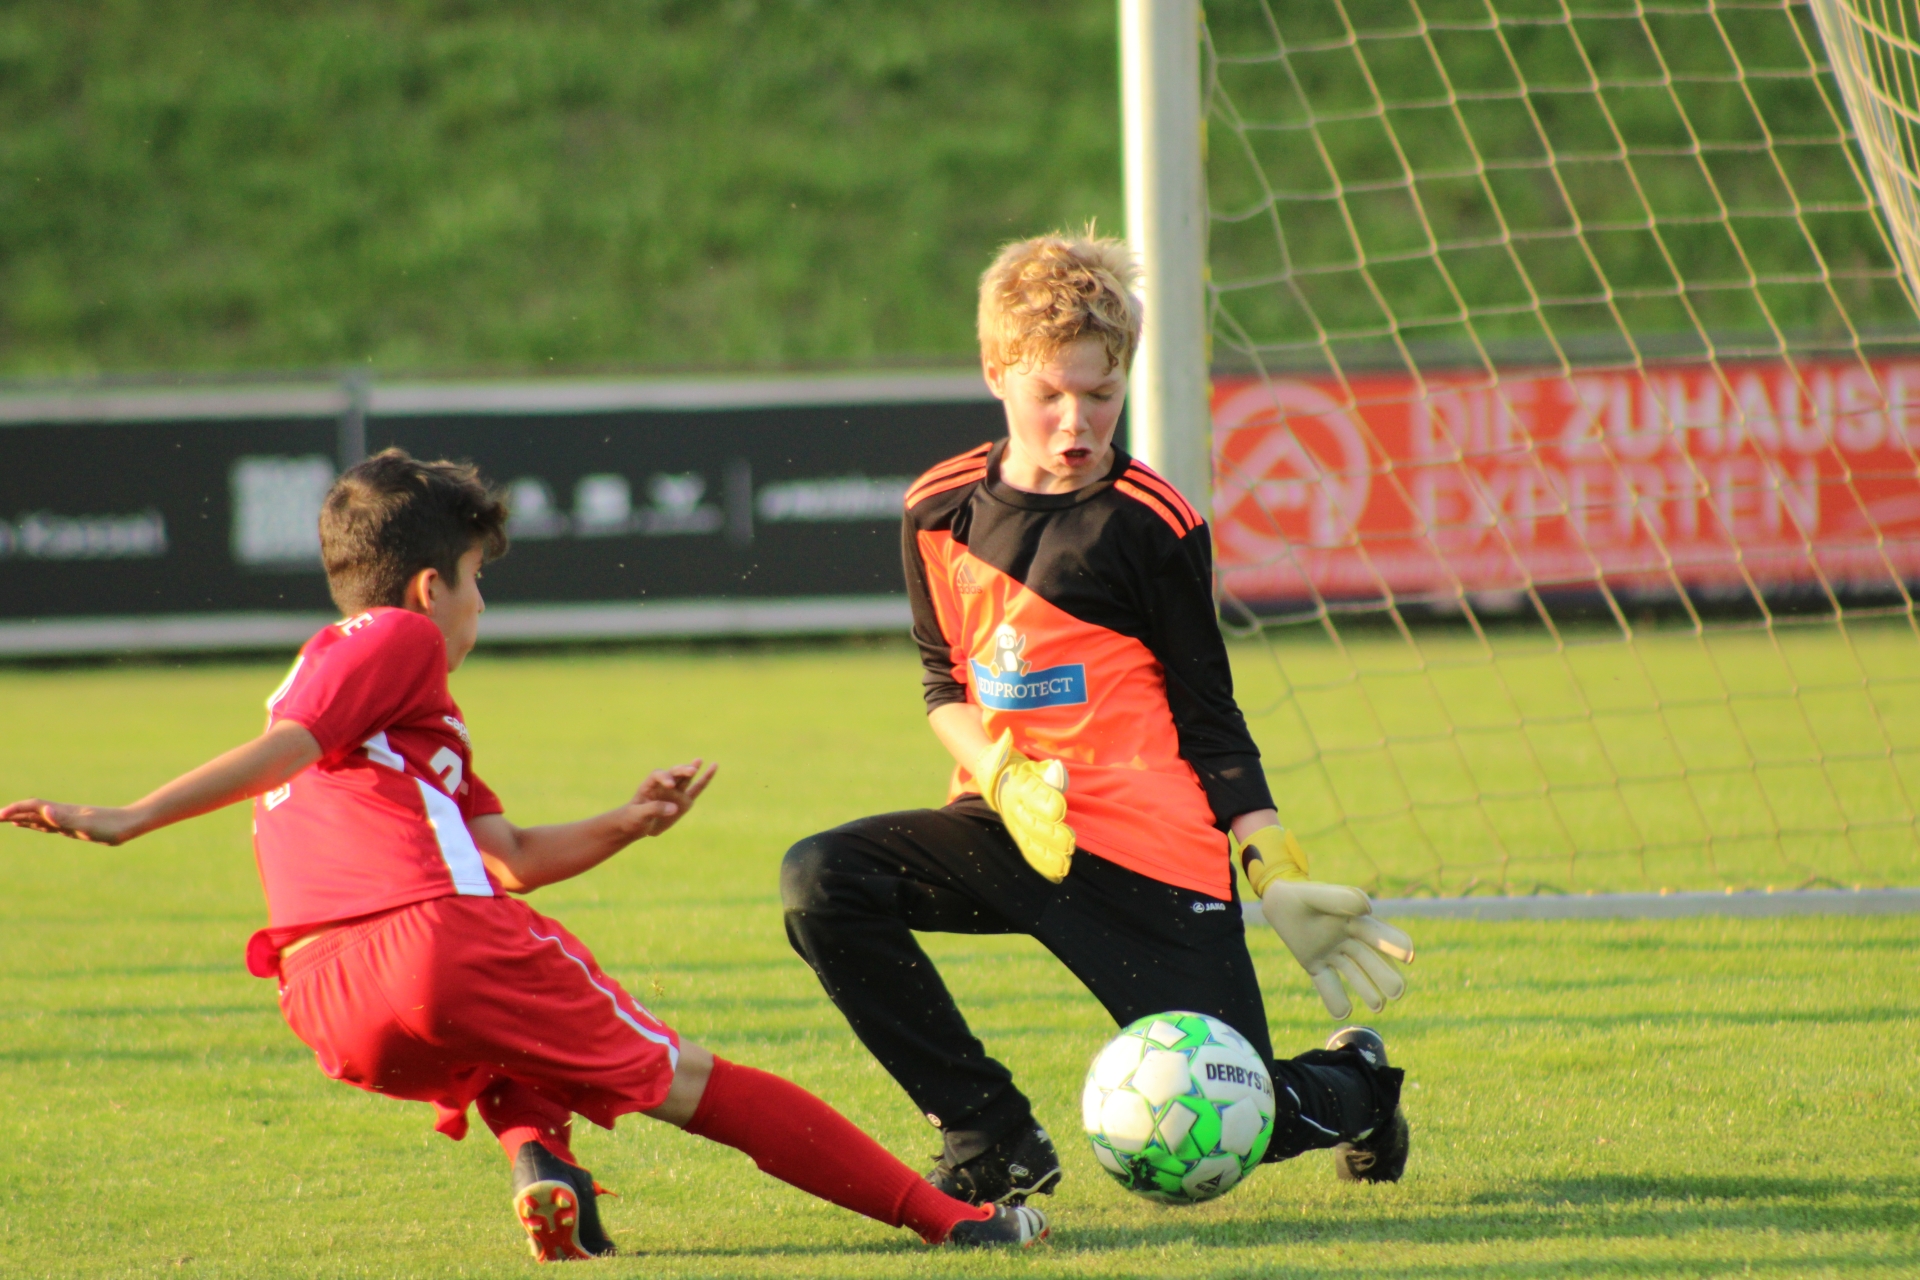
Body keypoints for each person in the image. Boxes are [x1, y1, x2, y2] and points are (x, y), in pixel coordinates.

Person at [2, 449, 1048, 1260]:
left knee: (505, 1047)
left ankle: (544, 1166)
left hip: (323, 993)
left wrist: (626, 820)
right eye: (475, 580)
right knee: (693, 1080)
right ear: (428, 587)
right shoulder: (392, 640)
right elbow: (296, 743)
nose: (480, 605)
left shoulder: (403, 720)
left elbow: (506, 854)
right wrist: (130, 816)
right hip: (429, 937)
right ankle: (952, 1220)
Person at [780, 230, 1418, 1206]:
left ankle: (1359, 1083)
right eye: (1050, 394)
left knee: (1238, 1117)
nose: (1077, 421)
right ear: (995, 371)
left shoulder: (1153, 523)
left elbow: (1210, 716)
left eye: (1102, 394)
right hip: (1009, 830)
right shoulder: (936, 509)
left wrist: (1271, 864)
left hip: (1152, 859)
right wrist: (1001, 777)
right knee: (822, 881)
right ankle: (989, 1136)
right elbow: (943, 684)